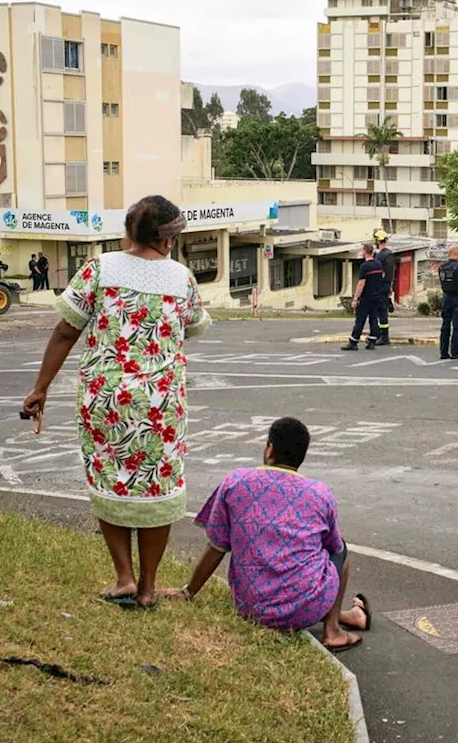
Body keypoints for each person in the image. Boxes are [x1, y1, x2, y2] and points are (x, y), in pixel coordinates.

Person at [21, 196, 210, 609]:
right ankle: (147, 587)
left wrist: (40, 387)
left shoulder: (100, 268)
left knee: (110, 478)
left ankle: (123, 578)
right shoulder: (182, 279)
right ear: (167, 238)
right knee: (157, 488)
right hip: (161, 405)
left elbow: (64, 333)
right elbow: (193, 327)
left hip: (105, 400)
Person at [167, 417, 369, 652]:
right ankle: (333, 631)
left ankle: (346, 617)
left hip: (251, 608)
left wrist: (188, 591)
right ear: (301, 457)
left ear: (269, 448)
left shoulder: (236, 481)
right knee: (340, 549)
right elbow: (333, 547)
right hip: (307, 608)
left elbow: (217, 546)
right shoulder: (320, 493)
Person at [341, 242, 385, 351]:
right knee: (374, 319)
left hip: (366, 297)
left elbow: (361, 283)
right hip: (377, 296)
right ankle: (372, 341)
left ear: (365, 251)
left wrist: (355, 298)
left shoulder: (365, 266)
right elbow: (382, 277)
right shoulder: (378, 264)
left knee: (360, 320)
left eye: (362, 250)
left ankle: (353, 341)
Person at [373, 230, 397, 346]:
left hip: (379, 286)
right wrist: (390, 286)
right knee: (382, 310)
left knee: (380, 311)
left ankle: (383, 336)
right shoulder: (390, 254)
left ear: (378, 240)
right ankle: (382, 334)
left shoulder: (380, 256)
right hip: (387, 285)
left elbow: (377, 272)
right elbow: (391, 273)